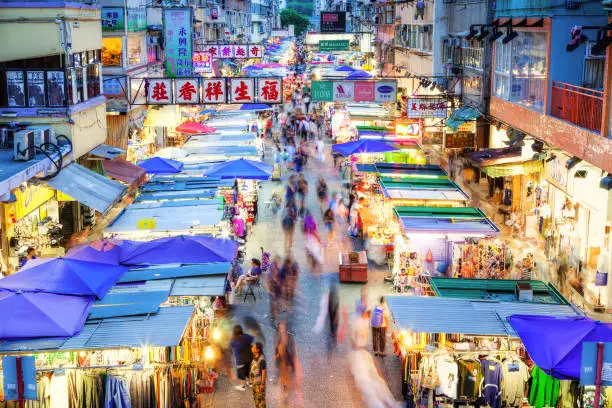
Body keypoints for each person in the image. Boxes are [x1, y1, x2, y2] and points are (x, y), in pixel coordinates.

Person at [275, 321, 301, 406]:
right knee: (283, 381)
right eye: (280, 327)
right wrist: (277, 355)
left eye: (283, 327)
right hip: (282, 364)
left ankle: (286, 395)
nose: (281, 329)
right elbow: (276, 350)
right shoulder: (278, 338)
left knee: (288, 381)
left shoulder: (290, 338)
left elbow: (293, 351)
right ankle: (285, 393)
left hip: (289, 363)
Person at [230, 325, 254, 391]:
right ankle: (250, 383)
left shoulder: (233, 340)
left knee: (242, 372)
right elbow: (252, 338)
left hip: (240, 360)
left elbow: (231, 346)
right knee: (248, 370)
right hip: (249, 357)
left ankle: (242, 386)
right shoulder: (246, 337)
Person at [249, 342, 267, 408]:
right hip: (254, 383)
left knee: (261, 403)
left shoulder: (261, 360)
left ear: (257, 350)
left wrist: (262, 384)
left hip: (259, 384)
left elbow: (264, 372)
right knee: (256, 401)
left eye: (253, 347)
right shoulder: (255, 357)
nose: (252, 348)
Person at [328, 283, 340, 352]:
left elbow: (336, 307)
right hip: (333, 314)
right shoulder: (333, 296)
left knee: (334, 328)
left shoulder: (333, 296)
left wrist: (336, 316)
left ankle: (334, 342)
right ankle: (334, 342)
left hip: (333, 314)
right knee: (333, 329)